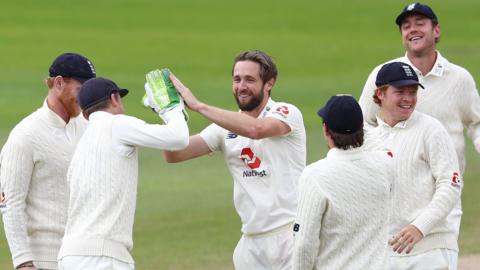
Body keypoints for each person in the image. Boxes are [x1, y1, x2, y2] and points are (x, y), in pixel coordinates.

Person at [163, 50, 306, 269]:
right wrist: (170, 112)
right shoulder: (223, 129)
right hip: (250, 241)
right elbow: (174, 154)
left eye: (250, 79)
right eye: (237, 79)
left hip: (289, 235)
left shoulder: (285, 112)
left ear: (269, 83)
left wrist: (199, 106)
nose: (242, 86)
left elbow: (256, 130)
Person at [359, 2, 480, 239]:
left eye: (420, 23)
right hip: (394, 198)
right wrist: (383, 151)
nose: (412, 29)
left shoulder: (459, 79)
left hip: (444, 193)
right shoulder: (382, 75)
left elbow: (477, 123)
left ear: (436, 30)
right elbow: (363, 123)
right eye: (406, 26)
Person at [56, 75, 188, 270]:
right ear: (114, 98)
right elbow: (178, 139)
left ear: (85, 114)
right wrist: (170, 108)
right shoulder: (117, 124)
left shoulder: (82, 146)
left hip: (69, 256)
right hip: (102, 256)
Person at [0, 53, 96, 270]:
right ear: (59, 83)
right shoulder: (25, 135)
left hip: (86, 258)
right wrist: (23, 262)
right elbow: (11, 204)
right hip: (45, 260)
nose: (86, 99)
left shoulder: (87, 126)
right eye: (81, 90)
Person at [370, 62, 461, 269]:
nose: (408, 99)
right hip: (385, 255)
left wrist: (420, 227)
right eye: (400, 92)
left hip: (430, 251)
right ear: (380, 94)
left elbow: (451, 184)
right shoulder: (369, 138)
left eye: (412, 92)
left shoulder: (431, 129)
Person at [292, 95, 394, 270]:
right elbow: (380, 148)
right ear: (361, 128)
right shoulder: (385, 165)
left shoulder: (314, 175)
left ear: (325, 129)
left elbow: (304, 245)